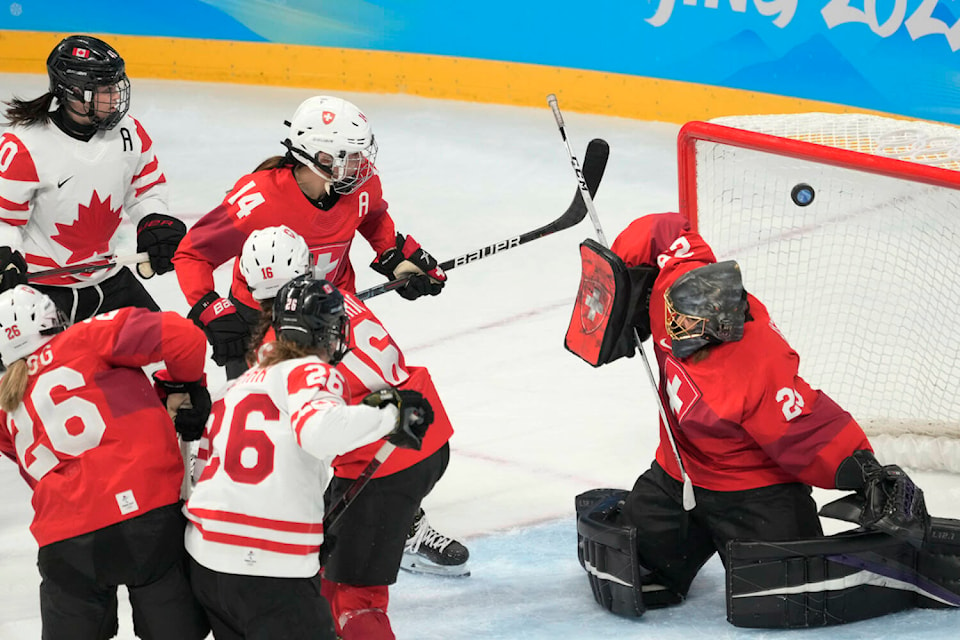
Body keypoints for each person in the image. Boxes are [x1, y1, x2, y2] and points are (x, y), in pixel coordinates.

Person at [173, 96, 469, 636]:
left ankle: (383, 525)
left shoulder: (358, 185)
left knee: (348, 427)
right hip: (258, 329)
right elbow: (191, 254)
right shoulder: (257, 198)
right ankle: (269, 538)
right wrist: (212, 311)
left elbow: (375, 220)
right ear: (312, 158)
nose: (361, 170)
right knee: (277, 443)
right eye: (348, 160)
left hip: (328, 319)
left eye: (361, 158)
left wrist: (399, 257)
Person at [572, 212, 931, 622]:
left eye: (690, 327)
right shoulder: (671, 292)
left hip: (754, 491)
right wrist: (627, 274)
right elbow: (665, 232)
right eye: (676, 320)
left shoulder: (754, 364)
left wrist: (865, 470)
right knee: (632, 572)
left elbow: (806, 430)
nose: (677, 329)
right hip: (677, 475)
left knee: (792, 598)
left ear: (722, 328)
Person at [235, 225, 467, 639]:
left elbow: (303, 433)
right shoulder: (334, 299)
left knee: (354, 599)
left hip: (383, 463)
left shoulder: (280, 344)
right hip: (427, 432)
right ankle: (399, 525)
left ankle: (396, 528)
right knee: (321, 563)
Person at [183, 275, 434, 640]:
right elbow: (319, 432)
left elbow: (201, 476)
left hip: (207, 562)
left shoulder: (232, 389)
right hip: (268, 571)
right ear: (325, 333)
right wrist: (391, 416)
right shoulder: (312, 371)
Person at [0, 284, 211, 640]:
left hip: (64, 540)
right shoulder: (87, 336)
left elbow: (24, 460)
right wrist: (187, 385)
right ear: (53, 320)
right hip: (146, 517)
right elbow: (184, 336)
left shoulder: (5, 397)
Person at [0, 34, 185, 321]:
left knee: (168, 346)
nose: (115, 98)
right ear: (73, 92)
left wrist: (154, 221)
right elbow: (4, 219)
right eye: (105, 89)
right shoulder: (24, 145)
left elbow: (146, 190)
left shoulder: (129, 133)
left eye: (115, 87)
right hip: (42, 291)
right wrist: (6, 255)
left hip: (109, 279)